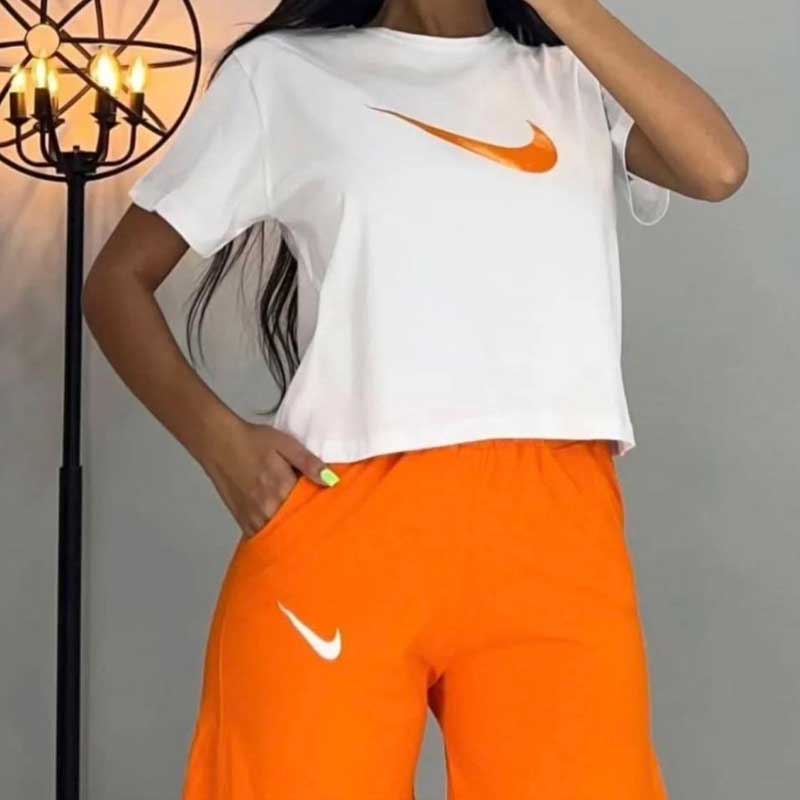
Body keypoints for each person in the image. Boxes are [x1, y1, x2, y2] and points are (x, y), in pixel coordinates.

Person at [83, 0, 748, 797]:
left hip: (555, 528)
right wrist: (220, 444)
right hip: (346, 522)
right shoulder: (283, 75)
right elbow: (116, 282)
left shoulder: (573, 74)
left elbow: (718, 167)